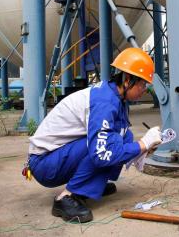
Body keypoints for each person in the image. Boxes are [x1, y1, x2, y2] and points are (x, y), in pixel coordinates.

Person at [27, 48, 162, 222]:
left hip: (56, 156)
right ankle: (66, 197)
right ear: (127, 80)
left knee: (124, 136)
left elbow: (119, 139)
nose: (145, 89)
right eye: (143, 84)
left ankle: (91, 184)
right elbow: (102, 153)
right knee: (103, 147)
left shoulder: (116, 97)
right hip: (44, 164)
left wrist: (142, 150)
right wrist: (143, 143)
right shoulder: (105, 102)